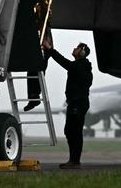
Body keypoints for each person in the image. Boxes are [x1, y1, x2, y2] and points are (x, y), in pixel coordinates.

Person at [42, 39, 93, 169]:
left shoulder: (80, 66)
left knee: (74, 132)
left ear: (81, 52)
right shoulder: (82, 66)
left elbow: (63, 62)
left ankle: (75, 161)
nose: (74, 49)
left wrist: (50, 50)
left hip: (77, 103)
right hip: (75, 103)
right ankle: (74, 160)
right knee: (71, 131)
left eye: (77, 48)